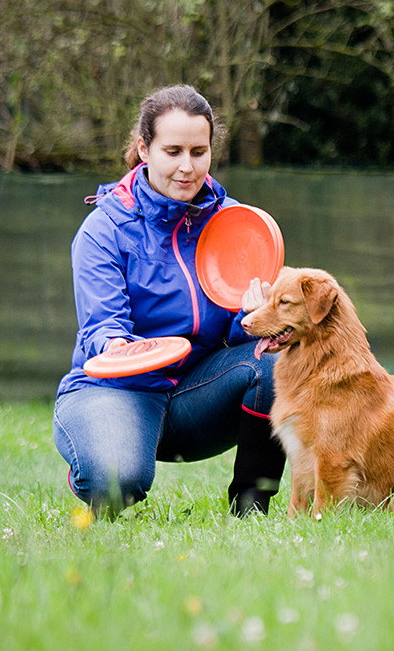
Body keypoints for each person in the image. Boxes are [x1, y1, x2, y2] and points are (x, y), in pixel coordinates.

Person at [53, 84, 285, 518]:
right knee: (116, 482)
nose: (187, 167)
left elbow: (237, 334)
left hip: (195, 395)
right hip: (120, 390)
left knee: (274, 362)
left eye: (199, 152)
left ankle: (251, 509)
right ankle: (99, 459)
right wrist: (116, 348)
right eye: (173, 151)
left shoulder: (234, 223)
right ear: (144, 149)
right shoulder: (104, 230)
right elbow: (102, 327)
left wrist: (254, 315)